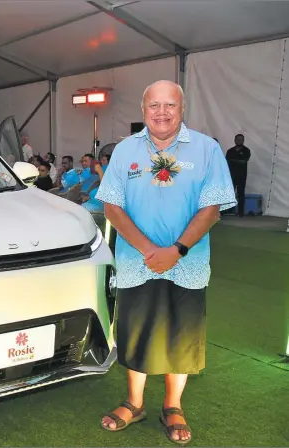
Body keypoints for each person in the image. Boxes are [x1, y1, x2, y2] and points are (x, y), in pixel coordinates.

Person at [96, 80, 236, 445]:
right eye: (154, 105)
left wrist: (176, 250)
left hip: (186, 262)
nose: (162, 112)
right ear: (143, 110)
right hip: (135, 262)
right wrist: (147, 250)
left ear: (182, 108)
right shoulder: (125, 150)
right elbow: (112, 206)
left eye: (169, 105)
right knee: (137, 329)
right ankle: (135, 402)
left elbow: (212, 209)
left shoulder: (207, 150)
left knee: (181, 333)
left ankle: (173, 406)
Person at [225, 133, 251, 217]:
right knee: (229, 194)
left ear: (243, 141)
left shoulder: (246, 150)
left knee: (240, 194)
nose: (239, 141)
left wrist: (233, 160)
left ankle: (241, 212)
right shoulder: (230, 151)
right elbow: (227, 162)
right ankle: (227, 211)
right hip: (231, 176)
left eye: (241, 139)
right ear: (234, 140)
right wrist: (236, 161)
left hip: (241, 176)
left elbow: (243, 161)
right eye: (238, 139)